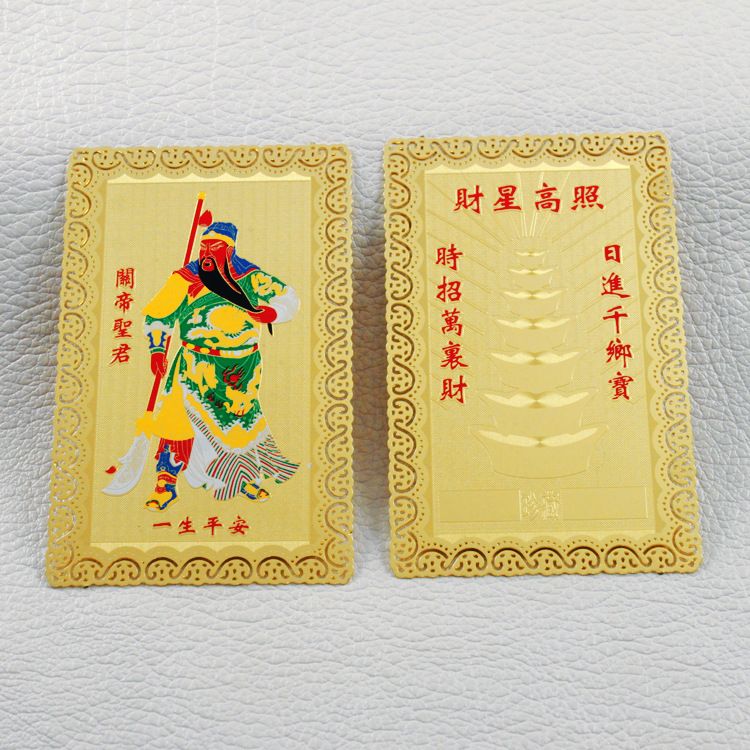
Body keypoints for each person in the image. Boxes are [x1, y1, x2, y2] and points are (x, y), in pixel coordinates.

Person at [140, 221, 299, 511]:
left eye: (214, 247)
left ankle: (243, 478)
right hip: (193, 362)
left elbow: (288, 297)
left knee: (239, 423)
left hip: (240, 367)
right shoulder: (185, 278)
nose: (207, 252)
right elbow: (158, 313)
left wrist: (273, 312)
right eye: (203, 246)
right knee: (176, 420)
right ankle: (166, 484)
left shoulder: (251, 277)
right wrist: (157, 348)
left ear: (229, 249)